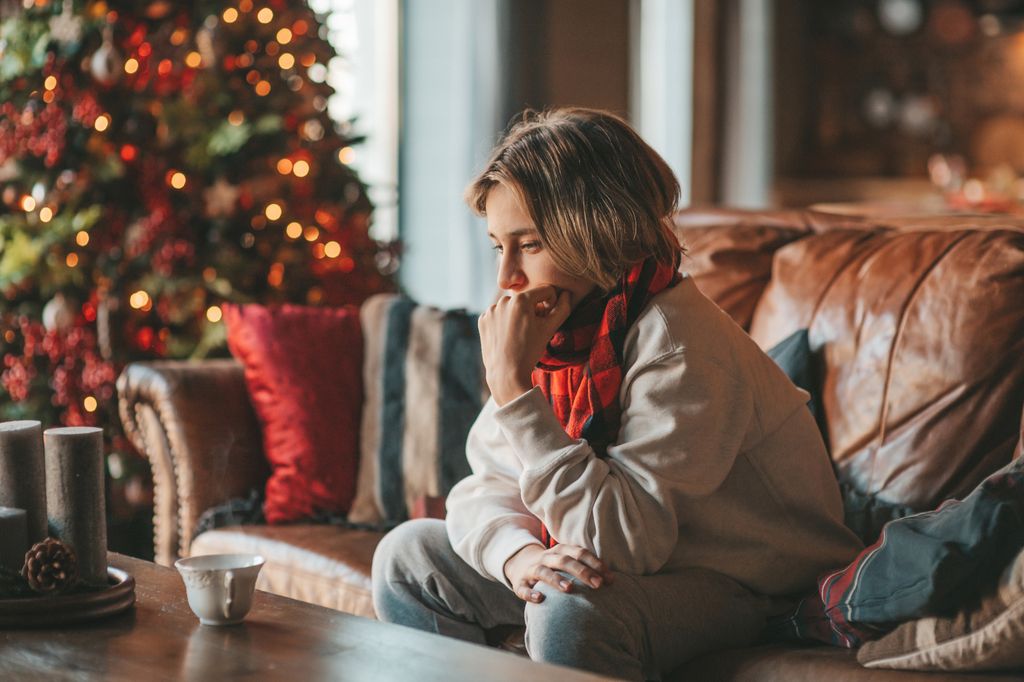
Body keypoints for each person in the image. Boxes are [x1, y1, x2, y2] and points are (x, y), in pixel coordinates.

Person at [371, 108, 862, 680]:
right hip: (636, 565)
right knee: (407, 558)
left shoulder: (680, 345)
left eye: (527, 245)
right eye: (496, 246)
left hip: (748, 583)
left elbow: (625, 545)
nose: (506, 277)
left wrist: (512, 390)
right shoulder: (561, 336)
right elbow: (488, 483)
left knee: (571, 611)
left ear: (594, 232)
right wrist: (519, 557)